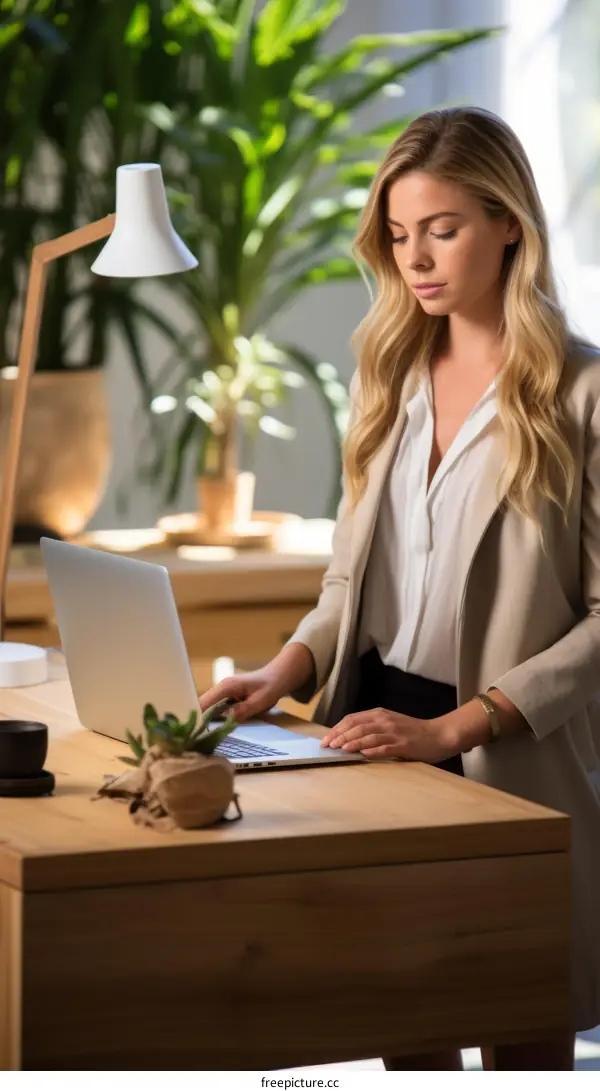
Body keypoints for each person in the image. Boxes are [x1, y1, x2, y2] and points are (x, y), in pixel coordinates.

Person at [199, 106, 600, 1071]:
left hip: (504, 746)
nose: (415, 258)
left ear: (509, 225)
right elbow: (351, 579)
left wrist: (455, 729)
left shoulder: (582, 394)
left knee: (522, 1026)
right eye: (398, 233)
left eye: (442, 229)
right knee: (407, 1026)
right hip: (375, 730)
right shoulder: (389, 374)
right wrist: (282, 670)